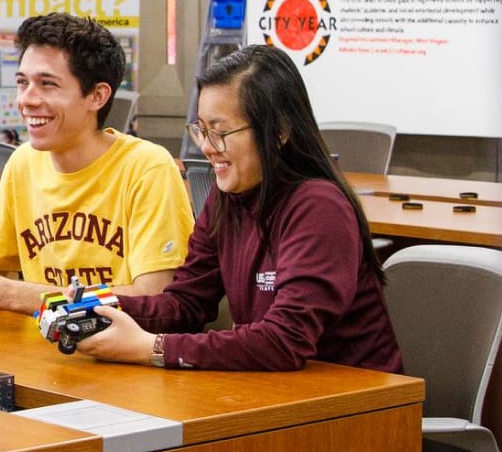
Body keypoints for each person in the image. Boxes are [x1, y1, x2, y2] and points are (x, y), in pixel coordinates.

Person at [73, 45, 402, 372]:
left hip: (357, 406)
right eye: (202, 129)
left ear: (280, 131)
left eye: (220, 132)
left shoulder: (319, 207)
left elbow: (284, 341)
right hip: (276, 393)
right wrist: (97, 307)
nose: (205, 147)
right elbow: (183, 304)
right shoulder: (227, 199)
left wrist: (152, 347)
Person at [0, 13, 191, 313]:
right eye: (22, 83)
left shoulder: (147, 168)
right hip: (39, 351)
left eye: (47, 84)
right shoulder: (23, 163)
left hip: (118, 353)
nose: (26, 100)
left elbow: (152, 298)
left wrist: (14, 295)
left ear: (97, 96)